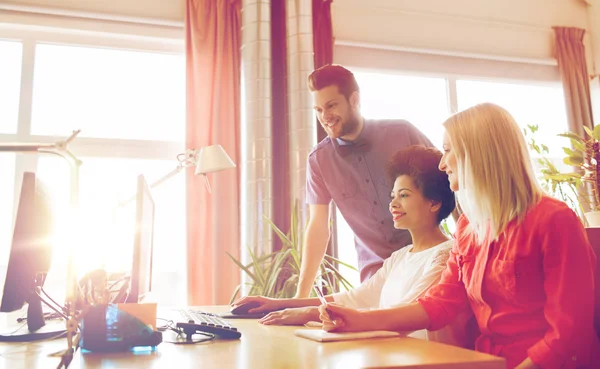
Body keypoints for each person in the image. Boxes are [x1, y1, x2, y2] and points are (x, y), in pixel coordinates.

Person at [318, 103, 600, 369]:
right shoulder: (468, 228)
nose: (442, 164)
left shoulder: (554, 220)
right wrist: (357, 320)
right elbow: (439, 304)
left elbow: (568, 332)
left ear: (479, 154)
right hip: (487, 361)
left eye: (448, 150)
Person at [232, 146, 472, 347]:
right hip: (392, 356)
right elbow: (353, 299)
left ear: (434, 203)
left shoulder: (445, 255)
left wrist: (310, 314)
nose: (393, 204)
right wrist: (277, 303)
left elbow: (406, 314)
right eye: (393, 196)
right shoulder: (399, 258)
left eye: (404, 195)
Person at [296, 64, 433, 298]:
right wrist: (300, 296)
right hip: (376, 277)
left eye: (331, 106)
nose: (325, 117)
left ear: (354, 100)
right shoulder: (319, 161)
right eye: (318, 109)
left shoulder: (402, 132)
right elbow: (318, 226)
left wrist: (468, 245)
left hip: (426, 261)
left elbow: (449, 180)